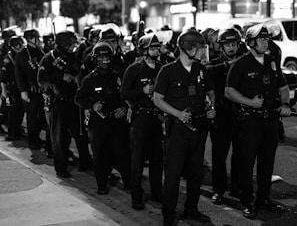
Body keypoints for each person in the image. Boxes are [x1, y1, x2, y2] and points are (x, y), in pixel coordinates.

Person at [225, 24, 292, 219]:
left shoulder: (271, 61)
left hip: (270, 121)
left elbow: (283, 87)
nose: (265, 42)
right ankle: (247, 201)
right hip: (249, 122)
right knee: (246, 164)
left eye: (266, 39)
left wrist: (286, 104)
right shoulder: (241, 64)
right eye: (261, 39)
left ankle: (264, 198)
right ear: (251, 42)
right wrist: (250, 103)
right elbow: (229, 91)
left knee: (267, 163)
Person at [154, 28, 216, 226]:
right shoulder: (167, 71)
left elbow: (210, 92)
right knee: (173, 174)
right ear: (187, 48)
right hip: (178, 131)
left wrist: (211, 107)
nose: (201, 52)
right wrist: (177, 113)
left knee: (196, 173)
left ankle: (192, 209)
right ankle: (169, 215)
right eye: (198, 48)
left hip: (199, 128)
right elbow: (157, 99)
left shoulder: (201, 70)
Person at [75, 42, 131, 194]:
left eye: (107, 57)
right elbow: (79, 99)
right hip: (99, 122)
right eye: (101, 57)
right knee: (100, 155)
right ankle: (102, 185)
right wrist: (92, 106)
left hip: (117, 121)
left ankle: (128, 182)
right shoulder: (89, 79)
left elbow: (126, 97)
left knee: (122, 153)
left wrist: (124, 108)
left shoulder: (118, 76)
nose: (105, 60)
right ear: (95, 59)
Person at [38, 31, 92, 178]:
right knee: (60, 138)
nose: (74, 46)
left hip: (74, 101)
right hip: (58, 103)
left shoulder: (73, 57)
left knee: (80, 134)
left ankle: (85, 162)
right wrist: (61, 77)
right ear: (64, 44)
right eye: (71, 43)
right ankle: (61, 168)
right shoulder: (49, 58)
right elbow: (42, 79)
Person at [121, 33, 164, 210]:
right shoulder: (134, 69)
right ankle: (136, 195)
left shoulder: (162, 68)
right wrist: (142, 90)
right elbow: (124, 94)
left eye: (157, 47)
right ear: (144, 50)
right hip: (141, 117)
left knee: (157, 158)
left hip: (157, 117)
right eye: (152, 48)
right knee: (137, 158)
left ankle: (156, 192)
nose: (156, 50)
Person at [206, 28, 243, 204]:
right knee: (219, 155)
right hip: (221, 115)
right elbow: (206, 70)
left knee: (241, 154)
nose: (231, 48)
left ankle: (236, 187)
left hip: (241, 114)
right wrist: (228, 65)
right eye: (227, 44)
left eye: (234, 44)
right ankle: (219, 190)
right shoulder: (215, 63)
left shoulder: (244, 62)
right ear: (221, 46)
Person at [15, 29, 45, 150]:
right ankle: (33, 141)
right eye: (36, 38)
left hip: (41, 89)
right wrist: (23, 90)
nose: (39, 40)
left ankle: (37, 138)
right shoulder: (22, 53)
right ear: (30, 39)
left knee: (41, 116)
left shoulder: (40, 51)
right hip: (30, 89)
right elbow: (19, 74)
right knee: (32, 117)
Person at [0, 36, 25, 141]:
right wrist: (4, 91)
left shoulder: (20, 56)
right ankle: (12, 133)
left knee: (20, 111)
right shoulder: (8, 58)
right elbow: (3, 77)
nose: (22, 46)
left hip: (19, 87)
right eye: (20, 44)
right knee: (13, 111)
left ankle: (17, 130)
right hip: (12, 88)